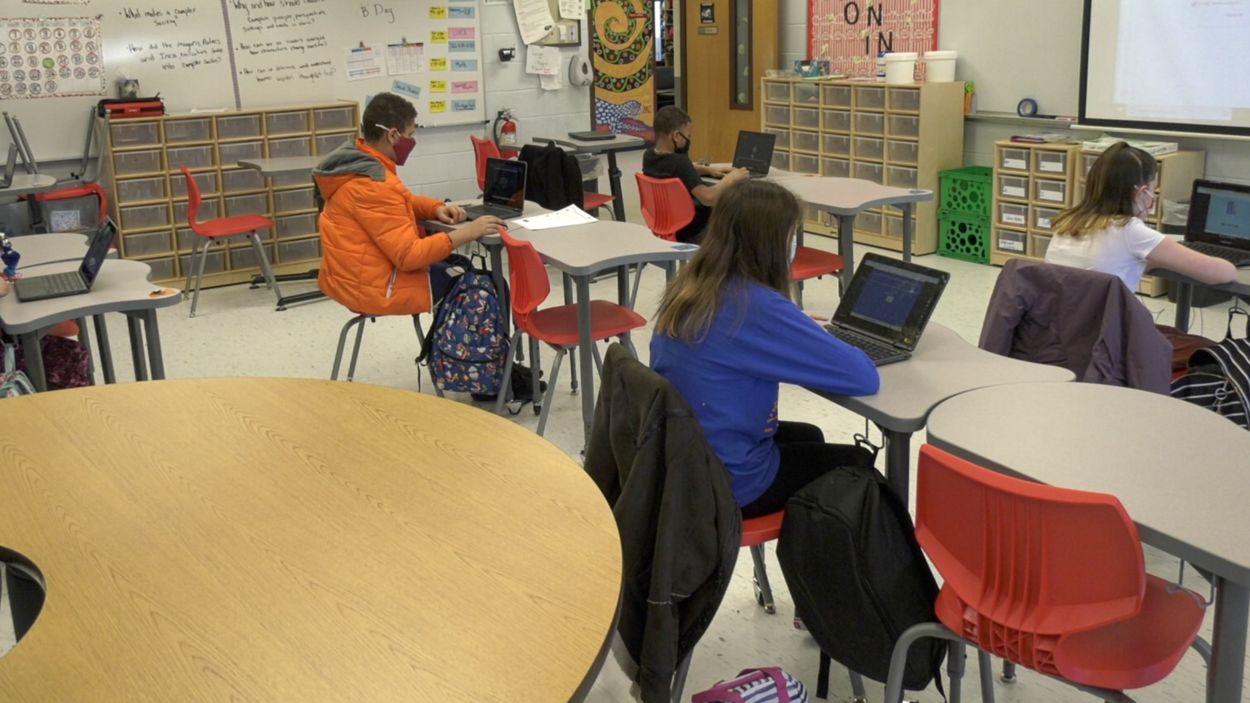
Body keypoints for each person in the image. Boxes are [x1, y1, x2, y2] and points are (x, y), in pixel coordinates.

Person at [650, 179, 880, 518]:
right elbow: (863, 377)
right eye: (791, 236)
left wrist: (794, 325)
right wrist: (809, 333)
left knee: (810, 435)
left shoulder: (693, 286)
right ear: (771, 243)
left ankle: (804, 537)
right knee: (859, 465)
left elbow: (735, 340)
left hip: (684, 460)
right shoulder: (756, 306)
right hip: (731, 482)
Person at [313, 92, 502, 316]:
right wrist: (467, 233)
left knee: (461, 266)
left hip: (356, 280)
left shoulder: (359, 165)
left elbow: (402, 201)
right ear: (393, 135)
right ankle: (465, 339)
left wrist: (436, 208)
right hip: (378, 288)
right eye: (410, 134)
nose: (412, 142)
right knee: (487, 288)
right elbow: (409, 257)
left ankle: (450, 336)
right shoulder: (374, 184)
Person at [1046, 141, 1236, 290]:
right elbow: (1223, 273)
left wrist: (1148, 261)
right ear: (1142, 192)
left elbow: (1108, 262)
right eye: (1153, 189)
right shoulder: (1129, 230)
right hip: (1109, 328)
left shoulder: (1068, 223)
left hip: (1062, 326)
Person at [642, 105, 749, 243]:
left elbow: (671, 168)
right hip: (693, 231)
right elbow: (708, 198)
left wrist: (706, 170)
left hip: (666, 226)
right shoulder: (680, 162)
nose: (689, 140)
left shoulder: (649, 156)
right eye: (688, 136)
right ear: (676, 136)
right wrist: (731, 178)